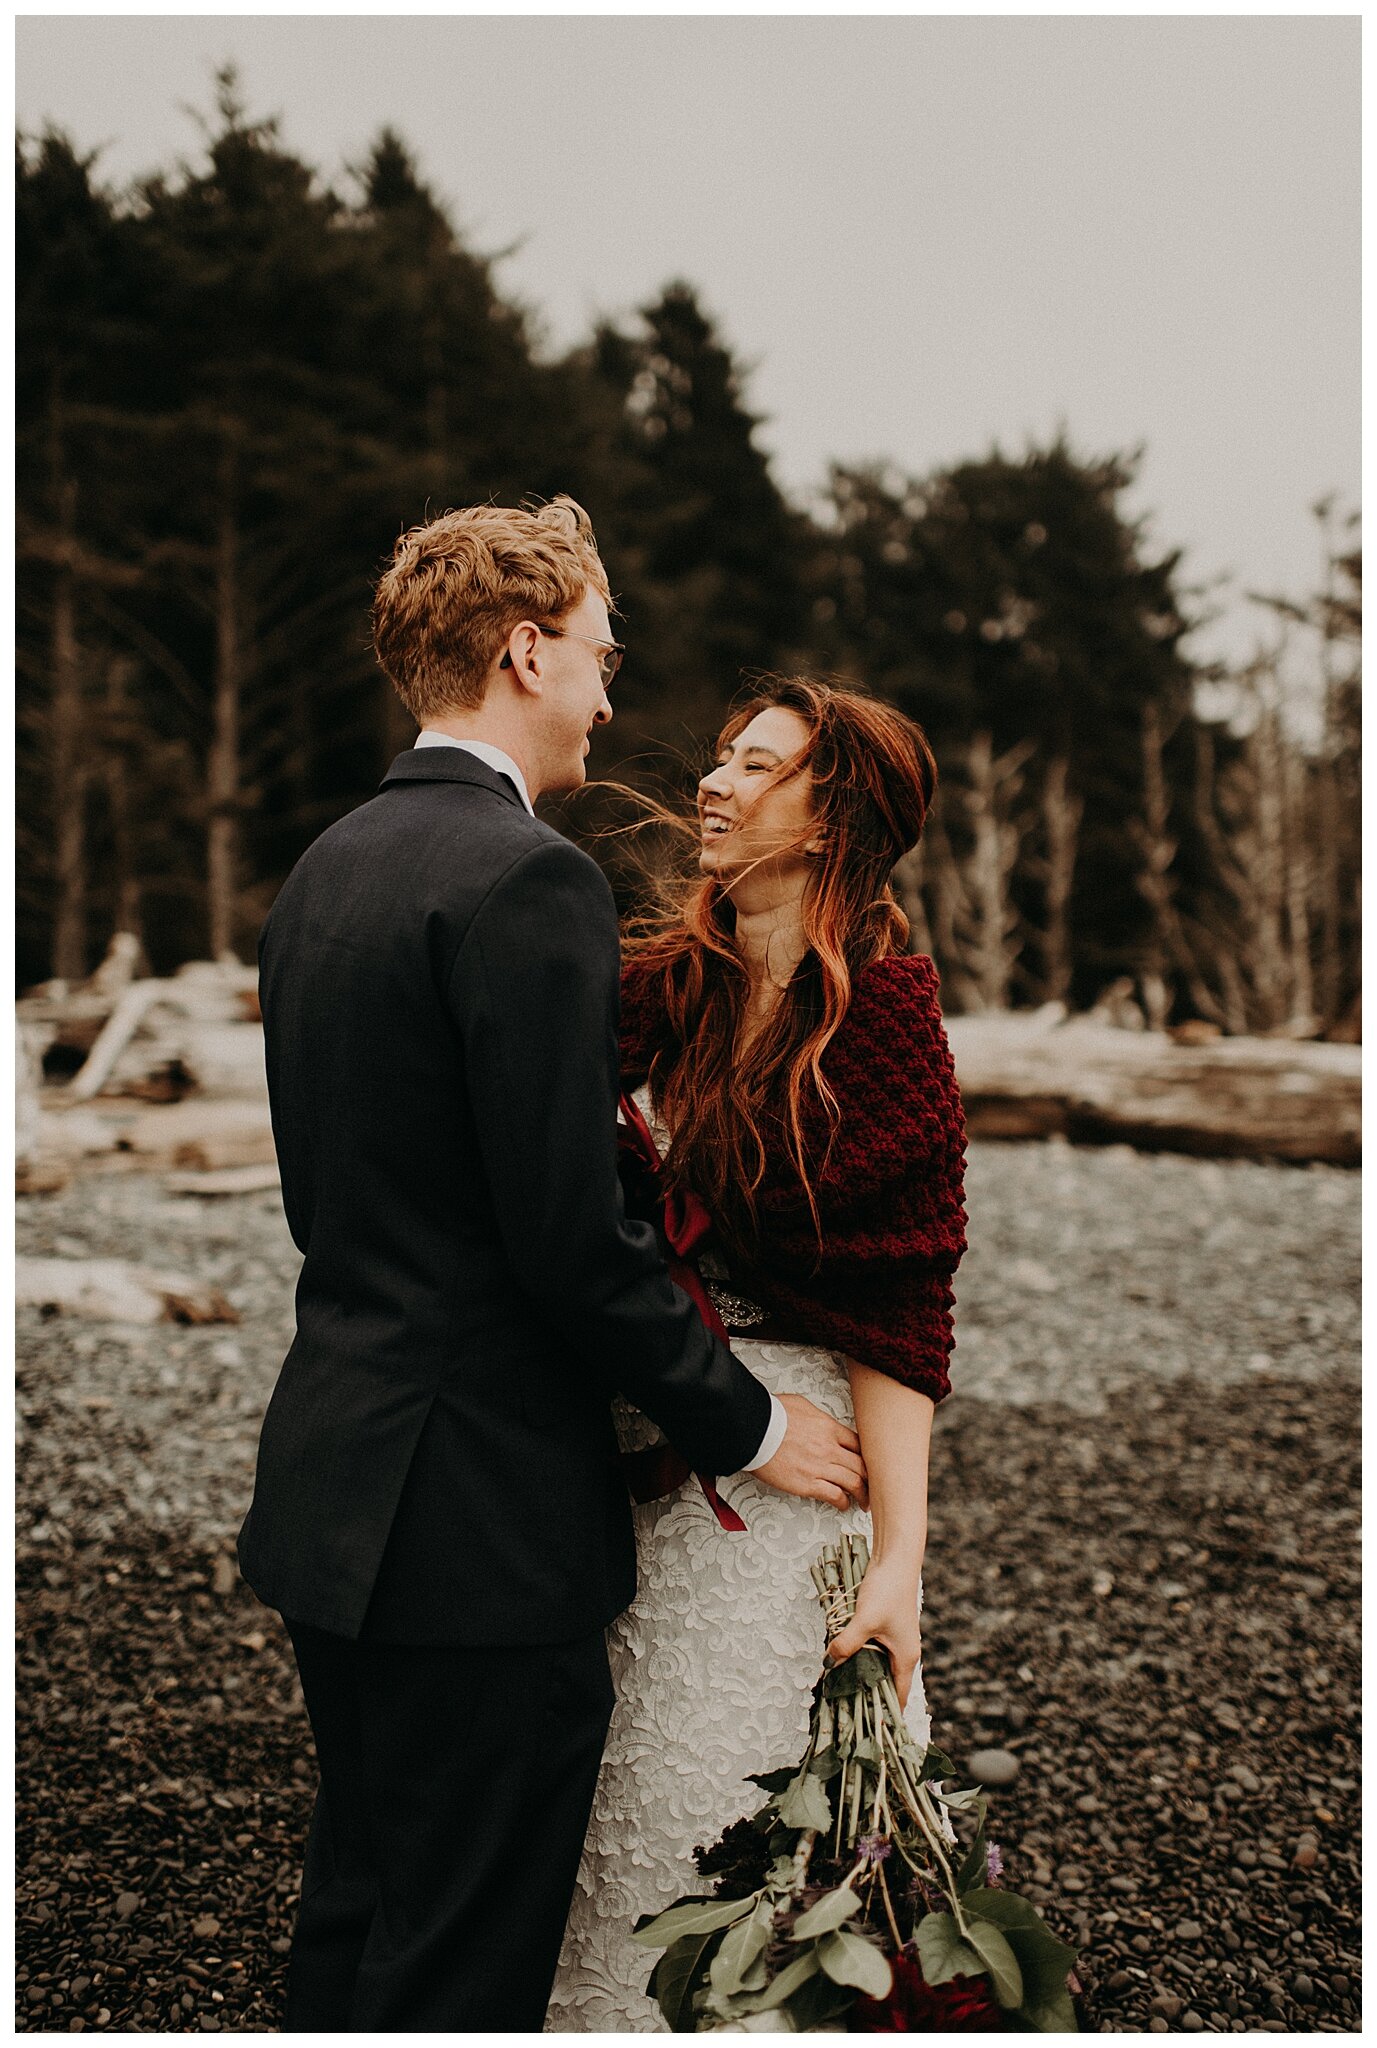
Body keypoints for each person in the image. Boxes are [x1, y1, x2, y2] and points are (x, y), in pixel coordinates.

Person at [235, 501, 867, 2033]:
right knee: (463, 1962)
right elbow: (567, 1238)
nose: (607, 688)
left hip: (334, 1484)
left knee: (365, 1910)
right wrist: (749, 1420)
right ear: (524, 648)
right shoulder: (526, 880)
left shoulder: (329, 867)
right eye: (596, 650)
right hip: (477, 1530)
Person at [547, 677, 968, 2031]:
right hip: (616, 1460)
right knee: (596, 1812)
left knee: (733, 1811)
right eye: (721, 757)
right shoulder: (649, 990)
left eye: (758, 766)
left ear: (833, 816)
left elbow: (902, 1318)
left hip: (790, 1486)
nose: (713, 784)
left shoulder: (885, 1022)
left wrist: (900, 1564)